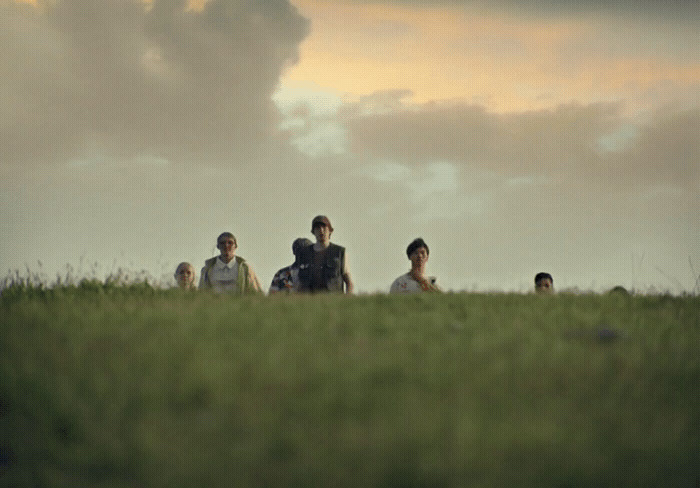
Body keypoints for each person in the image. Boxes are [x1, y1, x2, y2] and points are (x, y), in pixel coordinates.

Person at [297, 216, 353, 293]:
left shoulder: (339, 252)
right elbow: (299, 284)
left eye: (324, 227)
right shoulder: (305, 253)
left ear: (330, 230)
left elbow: (348, 281)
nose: (321, 230)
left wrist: (347, 300)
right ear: (313, 232)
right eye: (317, 228)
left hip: (334, 301)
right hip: (310, 302)